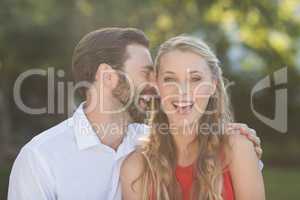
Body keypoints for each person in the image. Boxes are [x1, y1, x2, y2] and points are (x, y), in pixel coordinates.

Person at [8, 28, 262, 200]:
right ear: (108, 76)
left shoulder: (152, 140)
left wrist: (236, 136)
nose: (155, 85)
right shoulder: (41, 158)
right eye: (146, 74)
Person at [120, 36, 265, 200]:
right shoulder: (136, 168)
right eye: (170, 79)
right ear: (156, 86)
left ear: (212, 85)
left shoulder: (237, 148)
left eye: (195, 79)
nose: (182, 91)